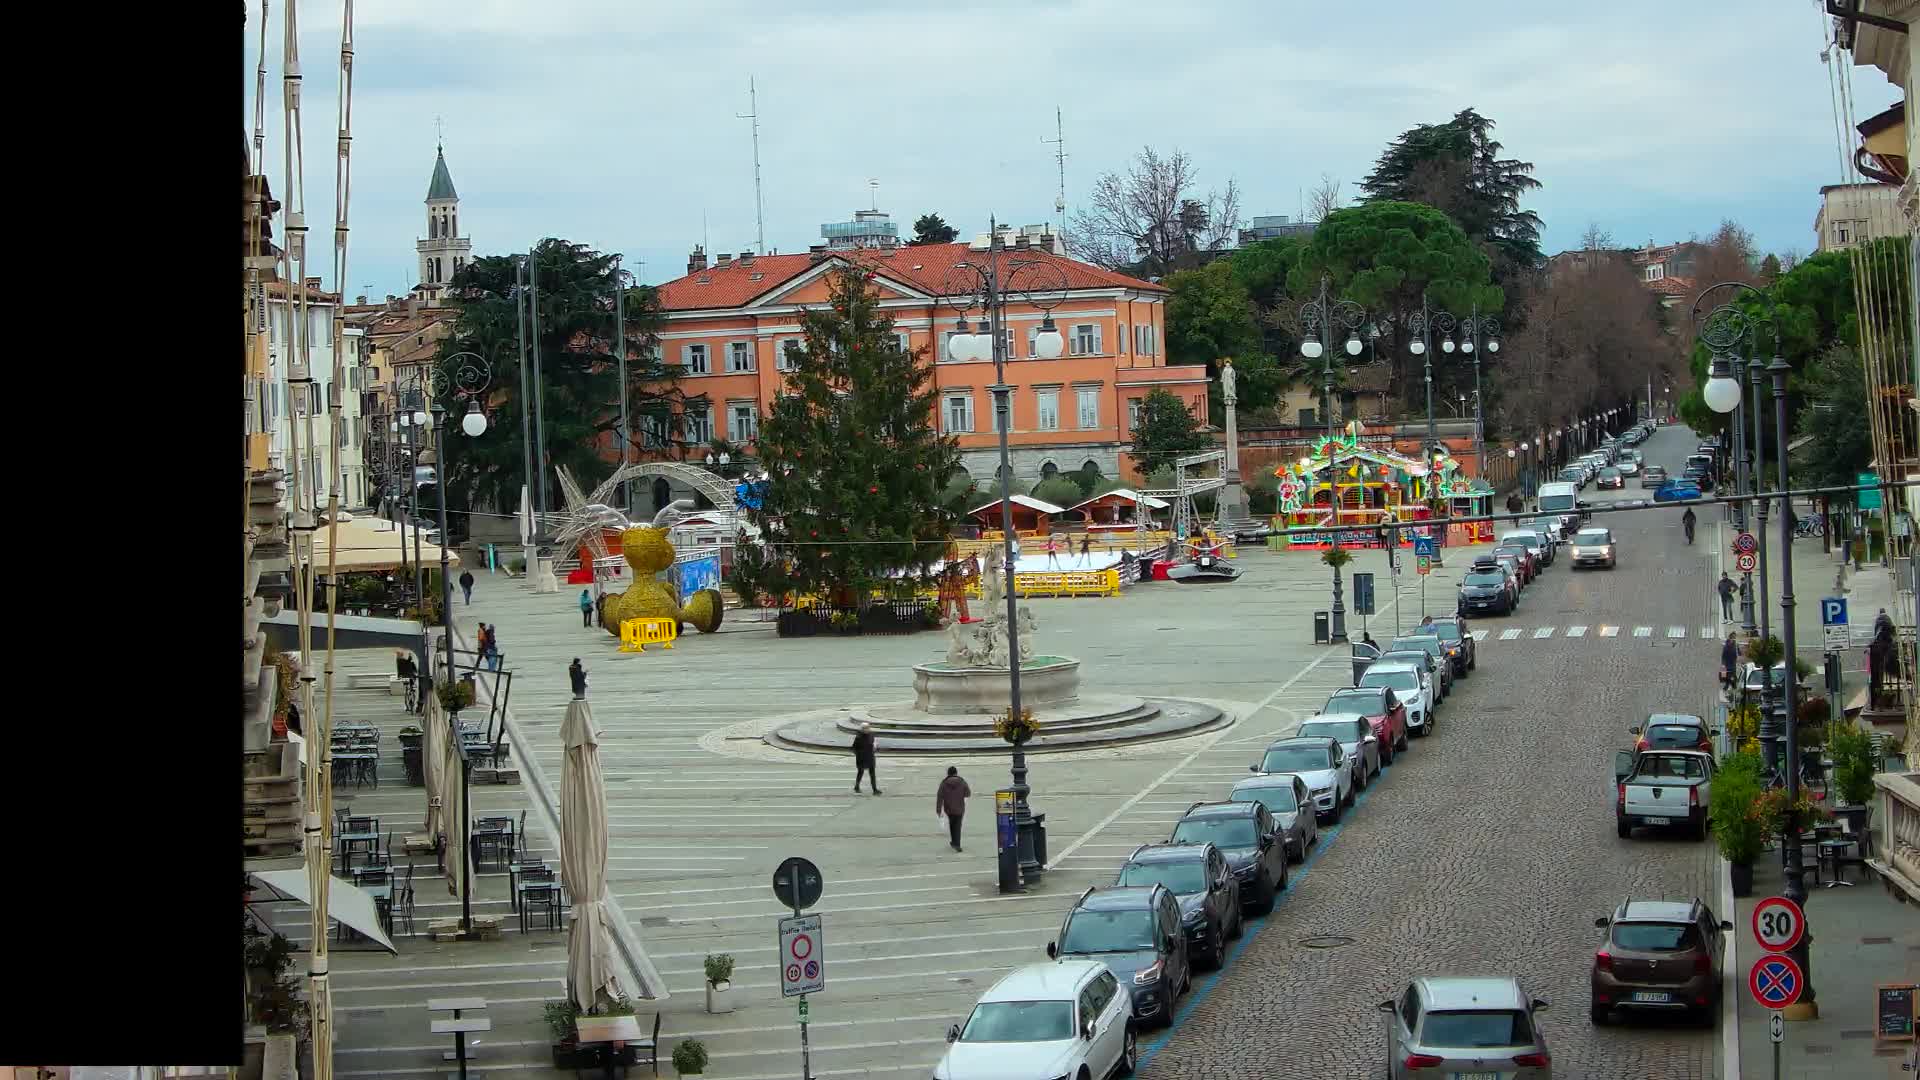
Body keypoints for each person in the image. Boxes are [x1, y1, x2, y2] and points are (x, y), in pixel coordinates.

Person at [936, 766, 972, 852]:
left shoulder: (944, 783)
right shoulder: (962, 782)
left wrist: (938, 810)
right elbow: (968, 793)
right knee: (958, 826)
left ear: (948, 773)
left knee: (952, 825)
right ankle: (957, 844)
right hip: (959, 807)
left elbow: (940, 797)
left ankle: (954, 842)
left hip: (949, 809)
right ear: (956, 773)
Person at [852, 723, 880, 795]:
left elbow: (873, 742)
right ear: (862, 729)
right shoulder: (858, 737)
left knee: (872, 774)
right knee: (860, 772)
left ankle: (875, 789)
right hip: (862, 758)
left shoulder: (871, 734)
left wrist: (875, 746)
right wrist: (859, 754)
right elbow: (854, 748)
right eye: (865, 728)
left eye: (868, 727)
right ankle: (857, 786)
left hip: (870, 756)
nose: (867, 729)